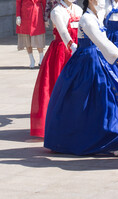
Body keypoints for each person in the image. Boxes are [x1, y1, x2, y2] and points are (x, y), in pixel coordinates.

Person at [44, 0, 118, 155]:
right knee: (87, 100)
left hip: (97, 59)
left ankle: (109, 136)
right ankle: (98, 138)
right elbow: (102, 42)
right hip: (87, 62)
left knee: (106, 99)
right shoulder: (86, 19)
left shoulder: (95, 16)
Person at [30, 0, 82, 138]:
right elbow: (64, 33)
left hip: (79, 50)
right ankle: (57, 121)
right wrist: (73, 48)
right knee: (58, 85)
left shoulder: (78, 9)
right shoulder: (56, 11)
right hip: (62, 52)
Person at [16, 0, 47, 68]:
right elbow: (18, 3)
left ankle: (41, 58)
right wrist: (18, 16)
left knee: (39, 38)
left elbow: (44, 3)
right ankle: (31, 59)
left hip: (37, 15)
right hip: (25, 15)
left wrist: (46, 17)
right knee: (27, 39)